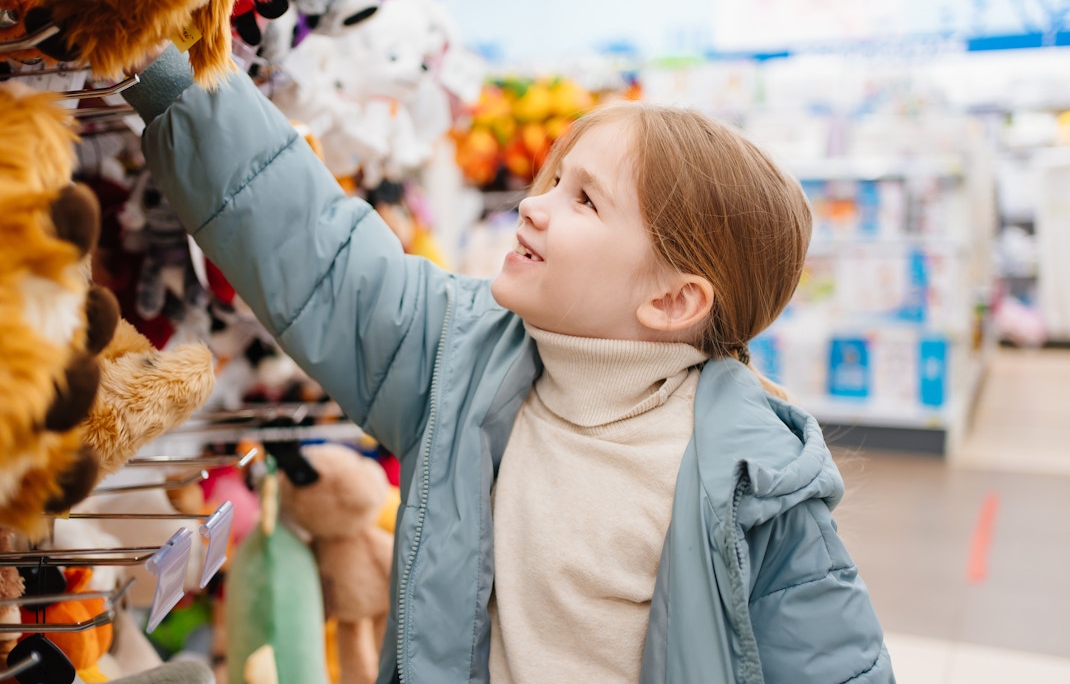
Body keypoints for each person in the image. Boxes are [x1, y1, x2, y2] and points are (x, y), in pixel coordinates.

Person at [122, 45, 894, 684]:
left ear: (670, 300)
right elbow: (322, 254)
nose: (535, 204)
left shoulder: (759, 491)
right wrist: (168, 81)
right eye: (555, 178)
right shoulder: (455, 357)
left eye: (585, 200)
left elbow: (836, 666)